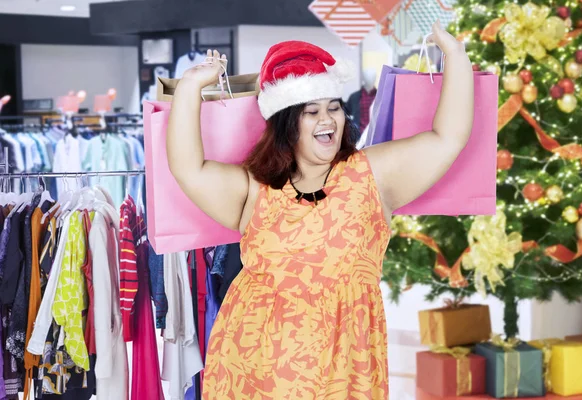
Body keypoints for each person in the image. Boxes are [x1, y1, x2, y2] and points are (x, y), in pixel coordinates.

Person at [166, 20, 474, 399]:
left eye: (333, 108)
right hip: (255, 364)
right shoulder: (254, 187)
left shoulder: (371, 174)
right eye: (311, 111)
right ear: (285, 124)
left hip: (347, 362)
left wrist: (455, 55)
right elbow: (186, 168)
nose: (328, 120)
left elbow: (448, 138)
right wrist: (192, 86)